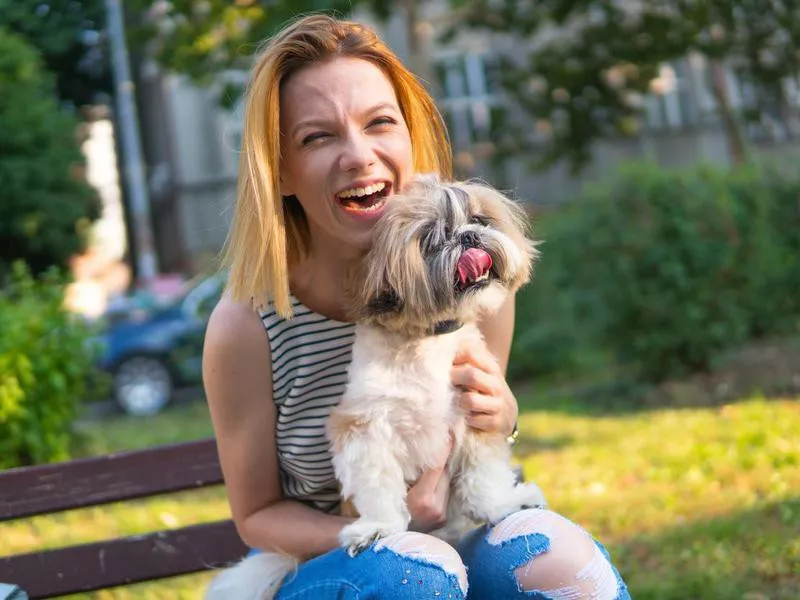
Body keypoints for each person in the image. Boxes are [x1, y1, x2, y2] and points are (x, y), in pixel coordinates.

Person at [203, 13, 630, 600]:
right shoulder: (249, 324)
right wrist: (389, 530)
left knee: (556, 558)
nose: (359, 155)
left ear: (409, 136)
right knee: (414, 575)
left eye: (379, 123)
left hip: (459, 530)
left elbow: (463, 437)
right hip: (325, 565)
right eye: (317, 136)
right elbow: (256, 516)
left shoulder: (469, 280)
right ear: (279, 171)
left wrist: (503, 418)